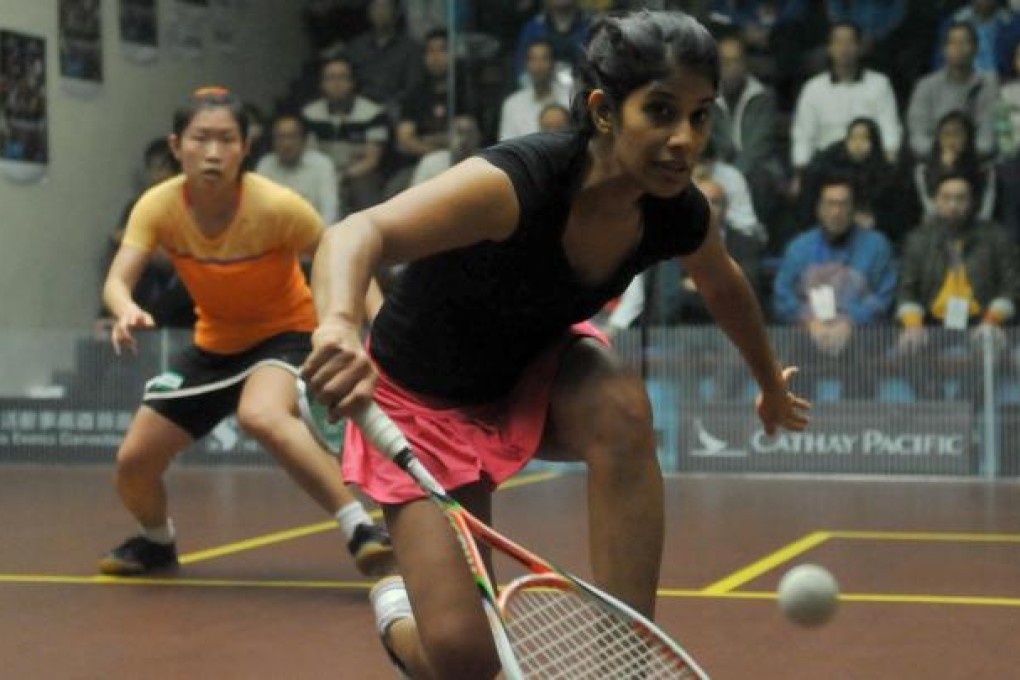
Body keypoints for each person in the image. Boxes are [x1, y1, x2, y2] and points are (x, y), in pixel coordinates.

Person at [302, 12, 810, 678]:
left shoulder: (675, 209)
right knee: (463, 660)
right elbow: (355, 233)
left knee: (623, 407)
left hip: (530, 369)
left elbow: (724, 284)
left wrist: (770, 382)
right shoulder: (517, 183)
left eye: (700, 116)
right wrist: (339, 323)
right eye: (660, 112)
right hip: (418, 406)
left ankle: (625, 663)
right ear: (603, 110)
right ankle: (399, 613)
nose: (684, 140)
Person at [99, 87, 392, 577]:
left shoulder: (277, 206)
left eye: (226, 140)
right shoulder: (157, 206)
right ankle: (157, 543)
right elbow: (116, 280)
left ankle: (361, 528)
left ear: (244, 148)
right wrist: (125, 308)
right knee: (134, 459)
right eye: (200, 139)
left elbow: (343, 252)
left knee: (260, 414)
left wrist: (381, 330)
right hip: (214, 347)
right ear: (177, 146)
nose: (213, 152)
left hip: (288, 333)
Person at [895, 171, 1019, 399]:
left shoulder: (996, 236)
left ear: (973, 202)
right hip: (932, 323)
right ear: (935, 201)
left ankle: (963, 417)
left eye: (961, 198)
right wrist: (912, 324)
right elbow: (906, 289)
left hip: (982, 321)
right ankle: (938, 416)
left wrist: (993, 321)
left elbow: (1012, 287)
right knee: (907, 351)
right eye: (946, 198)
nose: (953, 205)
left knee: (991, 352)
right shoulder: (918, 239)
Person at [774, 174, 897, 399]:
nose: (836, 211)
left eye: (843, 204)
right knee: (793, 355)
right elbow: (783, 295)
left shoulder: (877, 245)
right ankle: (800, 428)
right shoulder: (799, 247)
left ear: (853, 209)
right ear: (819, 208)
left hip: (860, 334)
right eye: (830, 204)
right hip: (809, 332)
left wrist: (850, 322)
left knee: (861, 357)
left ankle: (853, 429)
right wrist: (810, 321)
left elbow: (884, 296)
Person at [98, 138, 195, 332]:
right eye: (151, 168)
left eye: (162, 168)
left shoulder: (191, 209)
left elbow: (173, 263)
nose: (155, 175)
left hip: (178, 299)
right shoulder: (138, 206)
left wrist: (139, 245)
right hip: (141, 288)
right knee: (105, 318)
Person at [790, 21, 902, 190]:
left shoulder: (880, 84)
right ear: (829, 48)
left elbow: (890, 127)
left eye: (850, 42)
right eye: (838, 42)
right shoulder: (813, 88)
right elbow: (804, 135)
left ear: (860, 47)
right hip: (826, 165)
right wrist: (800, 172)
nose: (844, 48)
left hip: (868, 165)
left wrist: (889, 158)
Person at [302, 55, 390, 216]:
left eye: (342, 77)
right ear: (322, 84)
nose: (337, 84)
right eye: (330, 78)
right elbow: (310, 154)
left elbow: (372, 160)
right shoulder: (310, 114)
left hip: (359, 173)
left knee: (363, 190)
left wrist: (343, 176)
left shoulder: (373, 113)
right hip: (323, 172)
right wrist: (328, 176)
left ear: (353, 82)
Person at [908, 21, 1000, 162]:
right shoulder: (925, 86)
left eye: (964, 42)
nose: (958, 48)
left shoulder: (987, 86)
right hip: (934, 161)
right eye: (953, 43)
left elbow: (988, 139)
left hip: (975, 163)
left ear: (976, 49)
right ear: (943, 49)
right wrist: (941, 154)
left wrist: (961, 157)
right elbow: (917, 137)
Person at [256, 112, 339, 224]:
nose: (287, 143)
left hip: (315, 233)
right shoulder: (265, 165)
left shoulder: (322, 164)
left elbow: (330, 211)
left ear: (304, 139)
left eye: (292, 136)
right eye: (281, 137)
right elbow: (259, 211)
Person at [914, 110, 996, 222]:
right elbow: (932, 210)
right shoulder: (923, 169)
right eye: (946, 134)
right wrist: (945, 169)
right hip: (936, 228)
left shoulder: (984, 169)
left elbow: (985, 212)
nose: (951, 141)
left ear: (968, 138)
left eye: (957, 134)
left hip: (976, 226)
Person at [498, 38, 572, 141]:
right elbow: (506, 147)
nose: (538, 65)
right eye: (533, 59)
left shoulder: (571, 99)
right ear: (526, 65)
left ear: (553, 63)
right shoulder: (512, 104)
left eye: (544, 59)